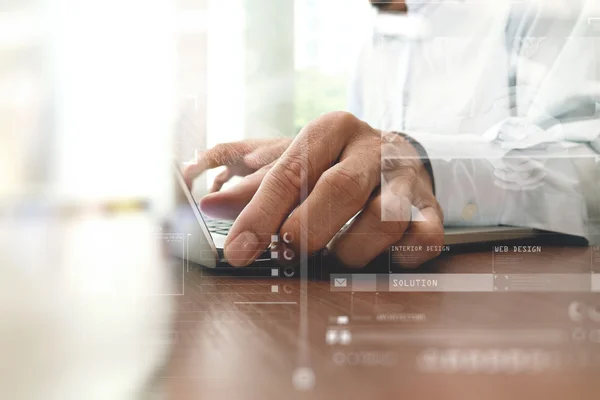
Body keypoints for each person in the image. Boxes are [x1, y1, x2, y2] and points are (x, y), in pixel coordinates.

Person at [184, 0, 600, 268]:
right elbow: (373, 157)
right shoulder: (378, 40)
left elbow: (587, 166)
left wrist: (420, 160)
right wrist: (317, 165)